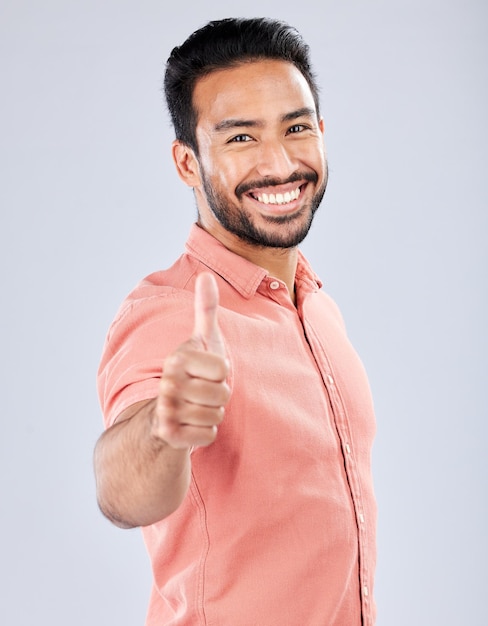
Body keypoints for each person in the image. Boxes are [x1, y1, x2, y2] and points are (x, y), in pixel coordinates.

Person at [94, 17, 377, 626]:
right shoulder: (172, 314)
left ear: (322, 134)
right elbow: (120, 492)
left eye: (296, 128)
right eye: (241, 139)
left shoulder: (316, 306)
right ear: (187, 162)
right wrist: (163, 427)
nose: (279, 164)